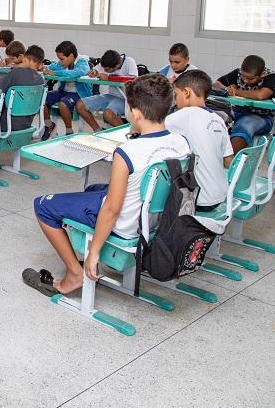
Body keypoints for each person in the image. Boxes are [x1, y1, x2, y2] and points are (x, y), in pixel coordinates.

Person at [33, 74, 190, 293]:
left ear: (135, 113)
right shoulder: (181, 142)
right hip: (157, 220)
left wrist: (94, 252)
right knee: (92, 190)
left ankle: (75, 274)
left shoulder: (127, 152)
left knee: (43, 205)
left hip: (126, 224)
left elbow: (112, 209)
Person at [165, 70, 233, 211]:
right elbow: (228, 161)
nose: (175, 100)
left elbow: (153, 128)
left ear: (187, 93)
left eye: (176, 95)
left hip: (199, 199)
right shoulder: (218, 119)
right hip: (220, 196)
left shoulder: (185, 115)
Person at [214, 55, 275, 153]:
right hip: (236, 112)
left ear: (262, 74)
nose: (245, 80)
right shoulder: (238, 72)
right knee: (214, 120)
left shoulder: (271, 76)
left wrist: (236, 91)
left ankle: (231, 163)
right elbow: (216, 84)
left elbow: (261, 95)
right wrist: (226, 89)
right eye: (243, 77)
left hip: (262, 117)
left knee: (244, 125)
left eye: (250, 79)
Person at [0, 45, 45, 132]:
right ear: (40, 64)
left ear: (24, 59)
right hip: (26, 123)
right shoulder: (41, 79)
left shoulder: (16, 73)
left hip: (5, 124)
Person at [76, 50, 139, 132]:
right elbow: (97, 69)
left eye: (107, 69)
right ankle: (98, 131)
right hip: (110, 95)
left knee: (108, 114)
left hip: (125, 98)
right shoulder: (107, 63)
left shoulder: (129, 62)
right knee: (80, 105)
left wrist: (110, 78)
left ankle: (130, 133)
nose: (104, 70)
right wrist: (94, 72)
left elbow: (134, 79)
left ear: (117, 65)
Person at [41, 41, 91, 140]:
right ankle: (49, 125)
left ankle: (69, 131)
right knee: (42, 98)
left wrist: (55, 73)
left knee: (63, 104)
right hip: (64, 92)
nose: (60, 61)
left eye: (62, 59)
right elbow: (51, 67)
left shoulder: (82, 62)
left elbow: (77, 72)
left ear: (71, 56)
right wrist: (43, 68)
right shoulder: (62, 63)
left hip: (79, 94)